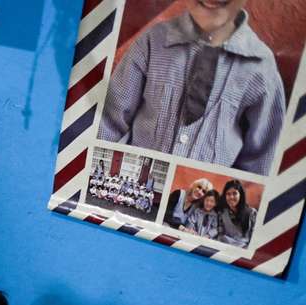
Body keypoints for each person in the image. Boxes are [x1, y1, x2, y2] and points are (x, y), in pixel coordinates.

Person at [98, 0, 285, 175]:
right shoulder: (153, 42)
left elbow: (262, 157)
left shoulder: (261, 67)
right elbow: (109, 120)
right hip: (135, 182)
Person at [218, 178, 257, 247]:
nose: (231, 197)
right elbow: (221, 235)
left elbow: (254, 239)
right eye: (228, 194)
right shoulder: (222, 213)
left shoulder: (252, 213)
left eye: (234, 193)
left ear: (241, 195)